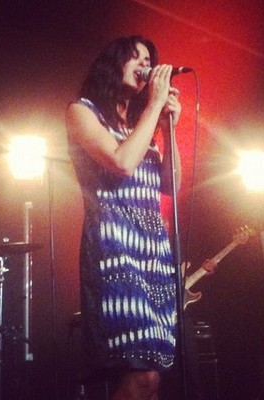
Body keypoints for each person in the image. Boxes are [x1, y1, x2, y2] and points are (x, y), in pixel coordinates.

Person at [66, 35, 182, 400]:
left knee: (153, 379)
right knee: (141, 376)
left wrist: (168, 127)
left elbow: (171, 185)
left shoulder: (139, 127)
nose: (145, 65)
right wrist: (155, 105)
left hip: (153, 257)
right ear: (112, 64)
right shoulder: (82, 112)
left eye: (148, 59)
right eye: (135, 57)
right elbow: (121, 162)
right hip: (115, 254)